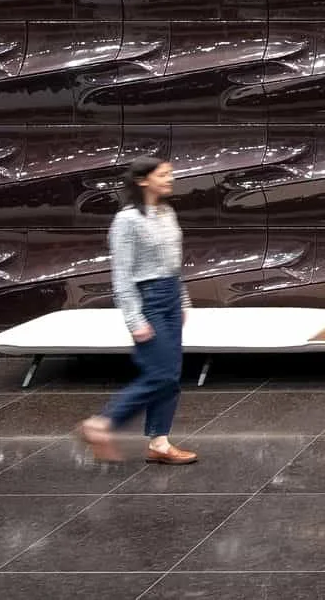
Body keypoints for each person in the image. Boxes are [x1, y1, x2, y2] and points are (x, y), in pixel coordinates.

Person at [78, 157, 199, 466]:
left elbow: (173, 263)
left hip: (170, 295)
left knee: (170, 376)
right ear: (144, 180)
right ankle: (102, 423)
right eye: (164, 175)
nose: (171, 179)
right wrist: (134, 317)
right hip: (148, 298)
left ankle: (159, 443)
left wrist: (182, 300)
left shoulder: (167, 212)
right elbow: (121, 273)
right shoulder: (127, 220)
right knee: (159, 373)